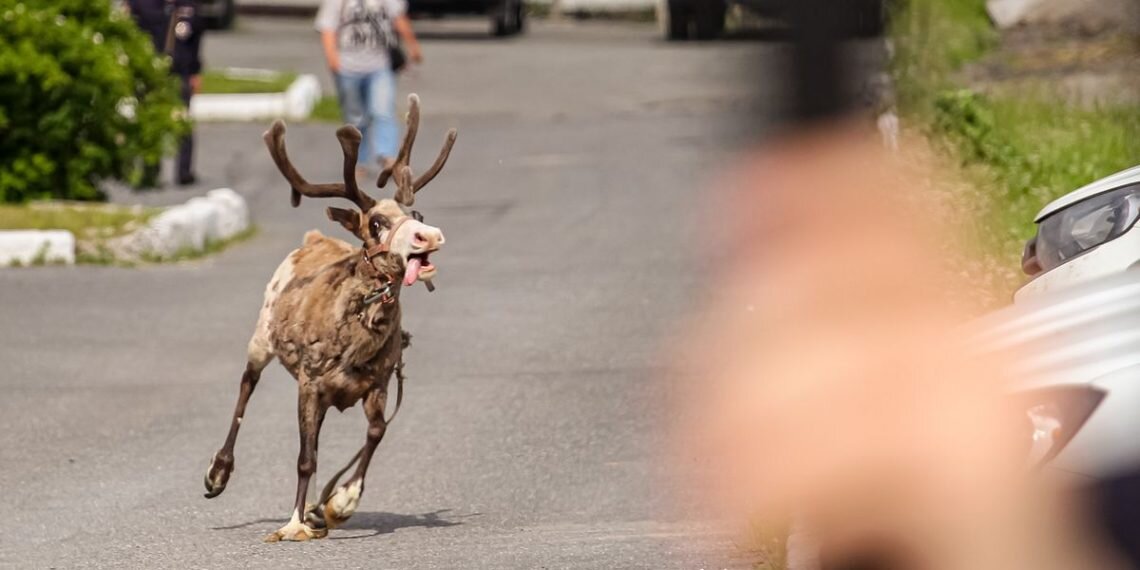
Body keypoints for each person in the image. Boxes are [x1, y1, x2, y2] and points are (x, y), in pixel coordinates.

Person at [316, 0, 422, 175]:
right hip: (348, 67)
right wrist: (332, 59)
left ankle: (388, 157)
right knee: (356, 118)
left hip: (380, 66)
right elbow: (327, 28)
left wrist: (413, 45)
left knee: (383, 111)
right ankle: (358, 162)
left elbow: (399, 19)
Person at [127, 0, 203, 186]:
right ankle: (150, 170)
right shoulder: (142, 4)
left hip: (180, 73)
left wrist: (195, 72)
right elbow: (131, 33)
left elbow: (196, 39)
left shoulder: (189, 5)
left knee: (182, 121)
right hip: (151, 74)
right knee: (150, 121)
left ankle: (184, 172)